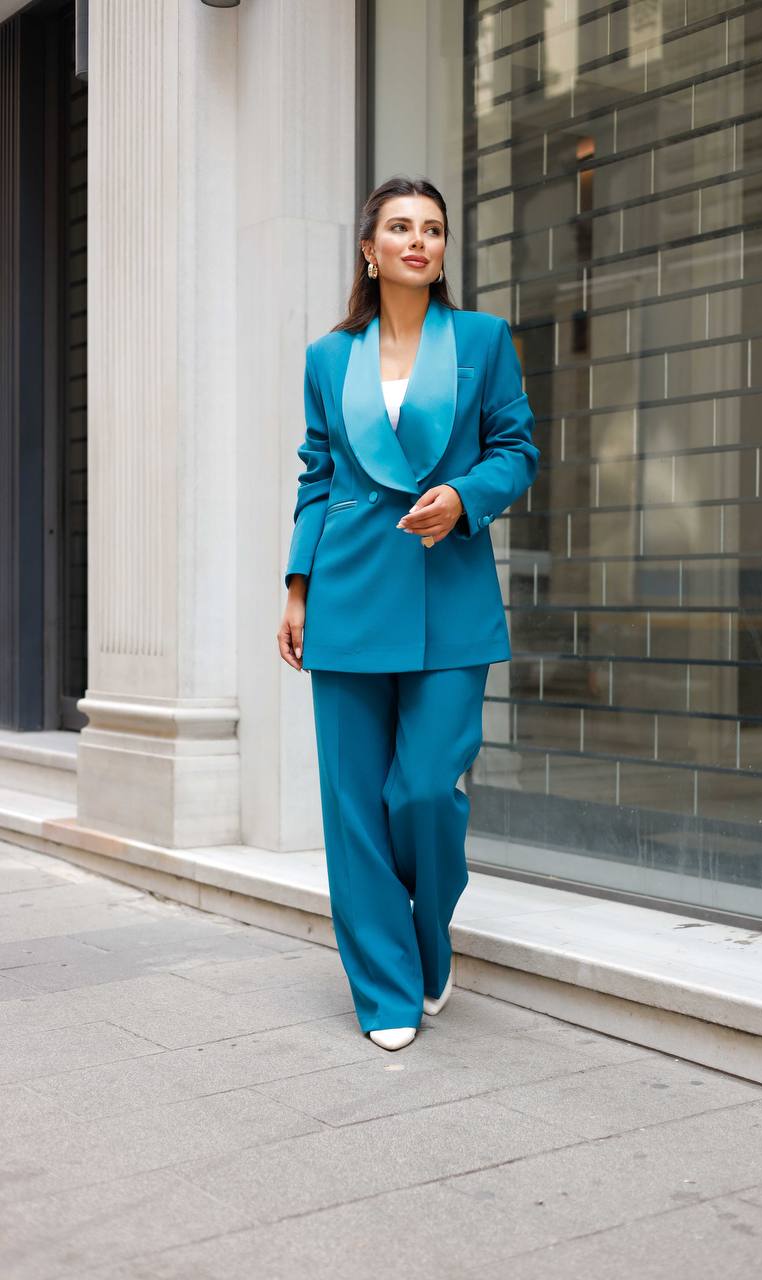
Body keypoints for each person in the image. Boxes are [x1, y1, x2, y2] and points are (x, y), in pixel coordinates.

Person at [277, 176, 539, 1051]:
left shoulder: (481, 341)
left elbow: (516, 449)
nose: (418, 241)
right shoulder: (327, 357)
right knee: (353, 803)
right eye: (399, 227)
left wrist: (464, 497)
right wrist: (296, 587)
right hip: (349, 590)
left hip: (448, 588)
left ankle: (429, 940)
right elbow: (318, 475)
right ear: (370, 248)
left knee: (425, 787)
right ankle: (384, 987)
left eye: (432, 229)